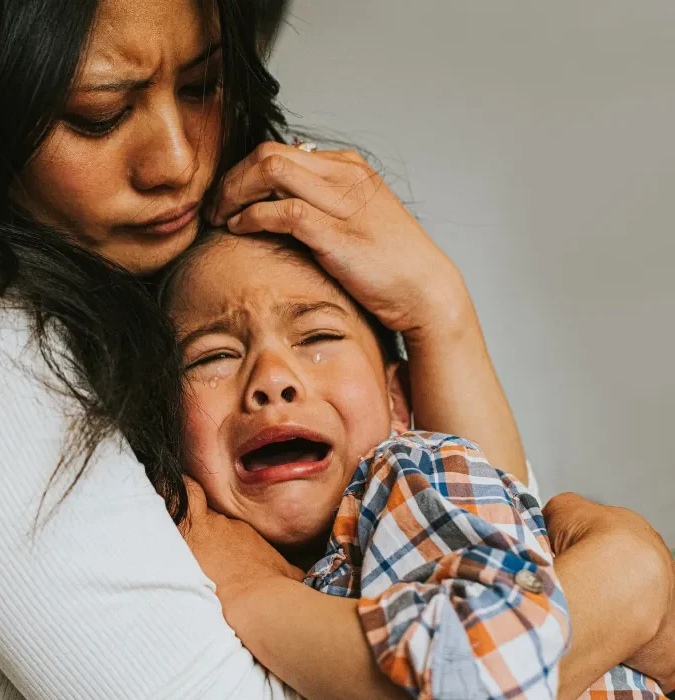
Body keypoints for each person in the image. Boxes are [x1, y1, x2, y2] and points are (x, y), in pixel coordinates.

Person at [0, 0, 675, 697]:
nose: (178, 160)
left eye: (201, 85)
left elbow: (478, 561)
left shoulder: (153, 295)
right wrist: (626, 590)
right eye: (99, 113)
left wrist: (437, 312)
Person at [161, 231, 667, 698]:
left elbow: (486, 666)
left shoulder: (414, 469)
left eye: (317, 339)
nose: (273, 379)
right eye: (212, 357)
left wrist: (254, 592)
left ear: (396, 399)